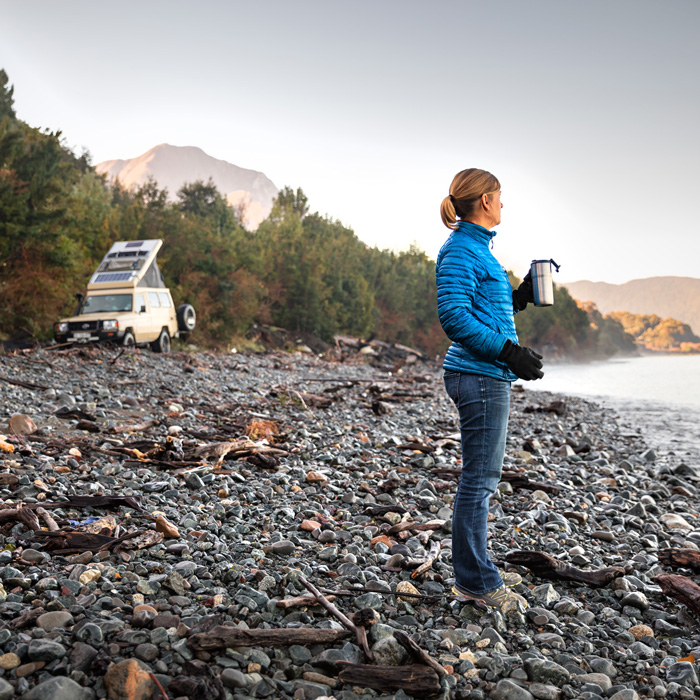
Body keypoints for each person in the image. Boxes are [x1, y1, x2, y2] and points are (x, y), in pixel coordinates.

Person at [436, 168, 544, 611]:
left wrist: (515, 298)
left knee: (482, 479)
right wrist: (509, 352)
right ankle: (476, 582)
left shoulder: (477, 249)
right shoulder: (461, 248)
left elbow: (478, 306)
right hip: (478, 375)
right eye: (500, 197)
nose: (503, 204)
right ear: (484, 200)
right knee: (479, 481)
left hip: (486, 375)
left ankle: (474, 574)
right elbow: (455, 317)